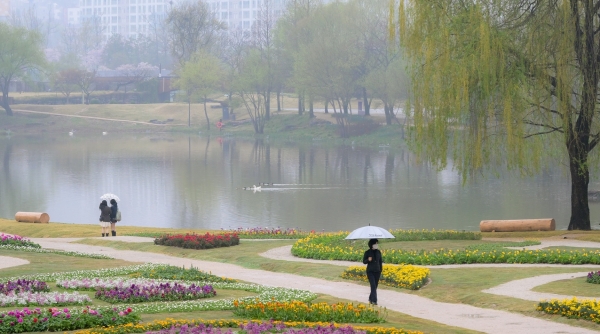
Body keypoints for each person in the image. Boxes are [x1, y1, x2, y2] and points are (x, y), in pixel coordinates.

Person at [362, 238, 382, 305]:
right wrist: (368, 260)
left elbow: (380, 262)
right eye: (375, 243)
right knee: (373, 286)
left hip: (377, 271)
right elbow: (364, 262)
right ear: (372, 244)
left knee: (375, 286)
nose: (376, 245)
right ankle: (374, 301)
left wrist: (380, 270)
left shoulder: (378, 252)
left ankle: (370, 298)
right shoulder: (367, 252)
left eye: (377, 243)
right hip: (370, 271)